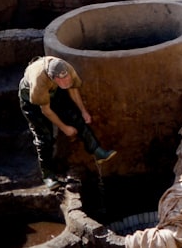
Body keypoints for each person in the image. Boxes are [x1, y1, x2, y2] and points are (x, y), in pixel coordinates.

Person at [18, 56, 116, 189]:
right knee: (45, 137)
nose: (66, 80)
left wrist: (83, 111)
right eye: (62, 80)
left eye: (67, 78)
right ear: (53, 78)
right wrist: (64, 128)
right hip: (32, 103)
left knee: (75, 116)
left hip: (54, 92)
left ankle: (97, 151)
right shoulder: (39, 80)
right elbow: (46, 111)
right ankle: (48, 175)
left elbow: (73, 89)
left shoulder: (66, 68)